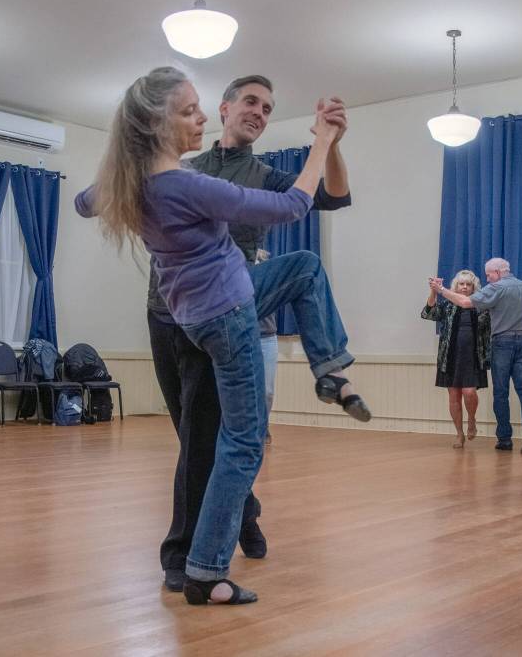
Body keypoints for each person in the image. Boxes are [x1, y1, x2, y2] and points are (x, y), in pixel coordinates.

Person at [92, 66, 369, 605]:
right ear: (222, 109)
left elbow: (331, 196)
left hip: (230, 310)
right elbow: (107, 194)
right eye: (250, 101)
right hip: (168, 315)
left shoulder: (264, 173)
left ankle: (184, 557)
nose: (259, 113)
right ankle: (243, 516)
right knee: (196, 436)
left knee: (207, 440)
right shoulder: (182, 168)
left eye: (267, 108)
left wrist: (329, 143)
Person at [435, 257, 522, 453]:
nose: (488, 278)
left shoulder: (497, 288)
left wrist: (440, 290)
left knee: (501, 393)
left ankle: (505, 438)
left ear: (498, 273)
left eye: (489, 274)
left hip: (503, 343)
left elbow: (466, 302)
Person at [421, 270, 490, 448]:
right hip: (450, 356)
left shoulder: (480, 304)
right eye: (462, 284)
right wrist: (434, 291)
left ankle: (472, 420)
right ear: (456, 286)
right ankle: (459, 434)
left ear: (474, 287)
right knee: (454, 396)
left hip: (474, 356)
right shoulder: (448, 306)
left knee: (469, 392)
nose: (465, 287)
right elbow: (428, 313)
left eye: (468, 284)